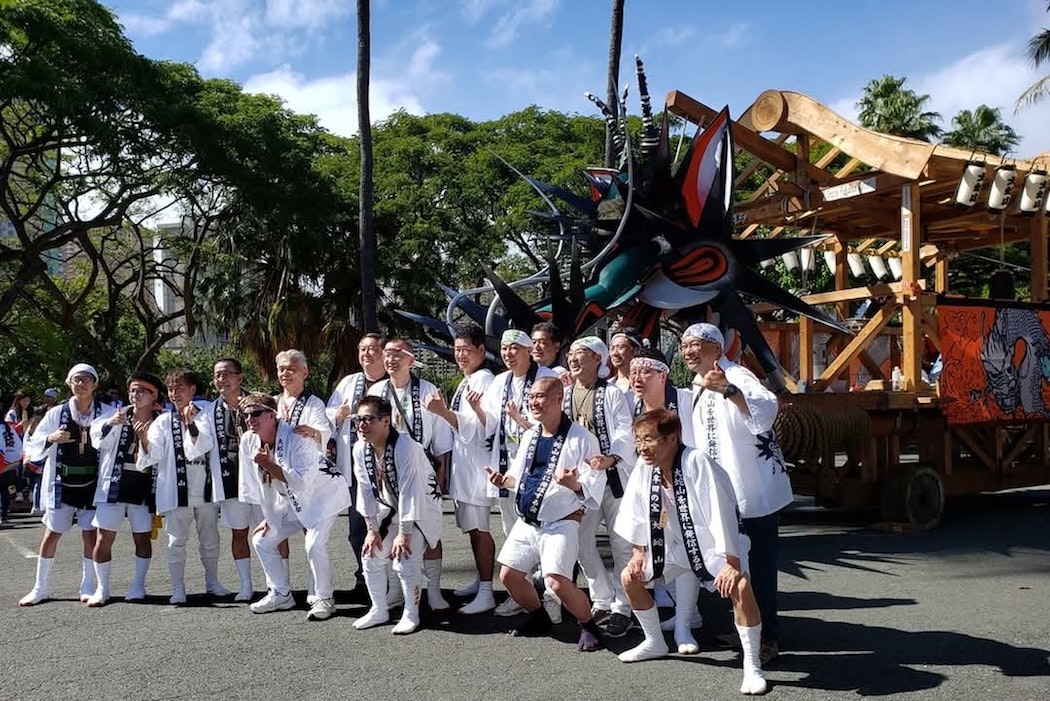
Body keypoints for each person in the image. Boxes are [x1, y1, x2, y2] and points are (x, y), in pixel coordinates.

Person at [613, 409, 767, 695]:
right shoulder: (645, 468)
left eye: (649, 439)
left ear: (672, 438)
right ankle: (654, 642)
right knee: (629, 577)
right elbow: (635, 514)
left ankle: (753, 665)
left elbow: (722, 512)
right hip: (669, 545)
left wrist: (731, 562)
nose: (642, 447)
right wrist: (638, 553)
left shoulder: (697, 462)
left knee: (741, 587)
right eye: (638, 440)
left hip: (713, 546)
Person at [682, 322, 791, 666]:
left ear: (716, 347)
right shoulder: (698, 384)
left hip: (751, 490)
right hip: (722, 492)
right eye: (684, 346)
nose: (687, 351)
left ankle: (768, 636)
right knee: (734, 563)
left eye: (695, 345)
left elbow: (767, 409)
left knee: (759, 566)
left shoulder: (736, 374)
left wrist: (729, 389)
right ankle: (747, 626)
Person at [488, 376, 607, 651]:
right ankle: (539, 617)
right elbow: (517, 476)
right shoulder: (531, 434)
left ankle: (590, 627)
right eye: (531, 397)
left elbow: (593, 483)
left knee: (556, 581)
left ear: (558, 399)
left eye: (540, 396)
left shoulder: (582, 438)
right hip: (528, 520)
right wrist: (502, 480)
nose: (533, 402)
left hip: (561, 522)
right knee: (509, 575)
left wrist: (574, 485)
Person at [461, 329, 557, 616]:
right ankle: (521, 592)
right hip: (508, 467)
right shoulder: (500, 381)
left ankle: (552, 595)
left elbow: (553, 426)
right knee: (512, 530)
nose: (508, 353)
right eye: (504, 348)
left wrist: (520, 418)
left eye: (515, 347)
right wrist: (478, 409)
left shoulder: (548, 378)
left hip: (541, 467)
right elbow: (490, 424)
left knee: (547, 532)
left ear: (529, 350)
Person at [238, 392, 351, 621]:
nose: (250, 420)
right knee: (262, 539)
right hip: (293, 501)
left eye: (256, 414)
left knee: (314, 544)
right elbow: (258, 485)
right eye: (246, 415)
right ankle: (280, 593)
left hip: (323, 498)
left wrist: (269, 465)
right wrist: (269, 519)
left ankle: (324, 598)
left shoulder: (298, 437)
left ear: (272, 415)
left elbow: (300, 482)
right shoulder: (249, 440)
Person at [19, 363, 116, 606]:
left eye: (85, 379)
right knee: (51, 534)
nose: (80, 384)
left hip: (92, 483)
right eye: (76, 380)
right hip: (62, 481)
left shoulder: (105, 412)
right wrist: (51, 438)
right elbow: (33, 444)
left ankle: (88, 584)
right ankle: (40, 587)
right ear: (68, 384)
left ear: (95, 383)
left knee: (90, 534)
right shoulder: (57, 413)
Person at [369, 338, 454, 611]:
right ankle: (396, 591)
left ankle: (434, 590)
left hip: (424, 469)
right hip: (388, 470)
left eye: (397, 354)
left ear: (411, 359)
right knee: (393, 527)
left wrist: (441, 477)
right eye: (387, 355)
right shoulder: (378, 390)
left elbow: (441, 439)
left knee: (431, 532)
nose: (391, 360)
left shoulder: (427, 390)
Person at [562, 336, 636, 638]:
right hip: (581, 482)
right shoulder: (564, 393)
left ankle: (623, 606)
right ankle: (601, 597)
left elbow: (624, 430)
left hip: (613, 478)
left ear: (597, 359)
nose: (573, 359)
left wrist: (611, 457)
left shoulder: (613, 394)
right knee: (580, 541)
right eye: (570, 354)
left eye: (580, 354)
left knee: (621, 544)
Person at [351, 395, 443, 634]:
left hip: (421, 511)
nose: (362, 425)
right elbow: (365, 489)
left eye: (369, 419)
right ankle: (378, 609)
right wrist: (372, 530)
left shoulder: (406, 447)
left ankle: (412, 614)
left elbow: (411, 492)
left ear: (386, 421)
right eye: (358, 419)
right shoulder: (360, 449)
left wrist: (405, 534)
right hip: (390, 509)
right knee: (370, 555)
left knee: (405, 558)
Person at [422, 324, 497, 614]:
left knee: (479, 528)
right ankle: (482, 580)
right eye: (457, 350)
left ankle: (488, 590)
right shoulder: (468, 380)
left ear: (481, 350)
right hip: (465, 466)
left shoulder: (484, 379)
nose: (461, 355)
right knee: (471, 527)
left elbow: (478, 426)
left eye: (466, 349)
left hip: (477, 464)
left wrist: (442, 412)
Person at [140, 368, 227, 604]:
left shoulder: (206, 414)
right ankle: (178, 587)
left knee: (210, 538)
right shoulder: (162, 421)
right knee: (176, 540)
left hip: (205, 486)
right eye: (170, 389)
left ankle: (213, 581)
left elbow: (204, 444)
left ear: (192, 389)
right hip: (175, 488)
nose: (174, 393)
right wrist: (144, 440)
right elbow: (154, 454)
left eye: (179, 388)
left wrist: (191, 424)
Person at [627, 348, 700, 619]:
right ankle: (685, 613)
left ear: (663, 375)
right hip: (652, 484)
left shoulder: (687, 400)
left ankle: (688, 614)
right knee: (660, 541)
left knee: (689, 545)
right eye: (634, 372)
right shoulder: (630, 403)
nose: (638, 378)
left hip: (689, 482)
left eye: (646, 372)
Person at [86, 372, 164, 605]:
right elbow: (96, 439)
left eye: (141, 391)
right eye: (132, 390)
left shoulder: (162, 420)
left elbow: (160, 452)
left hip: (144, 485)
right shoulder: (115, 416)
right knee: (104, 537)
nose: (135, 395)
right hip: (114, 484)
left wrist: (144, 437)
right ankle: (102, 588)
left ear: (154, 395)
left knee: (142, 537)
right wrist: (110, 425)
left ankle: (138, 584)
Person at [186, 358, 256, 601]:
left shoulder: (259, 403)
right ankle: (246, 585)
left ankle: (279, 584)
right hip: (230, 480)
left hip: (261, 478)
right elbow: (198, 447)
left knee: (272, 532)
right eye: (217, 375)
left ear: (240, 377)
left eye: (227, 374)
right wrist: (191, 425)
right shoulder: (207, 411)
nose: (221, 379)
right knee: (239, 533)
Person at [327, 333, 388, 597]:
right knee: (357, 530)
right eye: (362, 348)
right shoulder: (348, 382)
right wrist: (336, 416)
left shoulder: (393, 384)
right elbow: (327, 416)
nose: (366, 353)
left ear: (384, 353)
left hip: (385, 470)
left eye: (372, 349)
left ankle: (390, 582)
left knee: (387, 528)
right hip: (353, 470)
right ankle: (364, 577)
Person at [273, 349, 333, 603]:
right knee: (273, 535)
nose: (286, 373)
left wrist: (314, 432)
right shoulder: (274, 402)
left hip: (309, 480)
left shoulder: (313, 403)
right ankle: (280, 589)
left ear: (304, 372)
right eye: (282, 369)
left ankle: (317, 591)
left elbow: (324, 431)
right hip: (281, 478)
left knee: (313, 539)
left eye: (291, 369)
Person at [0, 418, 23, 527]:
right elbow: (19, 446)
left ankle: (2, 516)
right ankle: (3, 516)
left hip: (3, 462)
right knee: (5, 490)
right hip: (12, 463)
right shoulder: (9, 428)